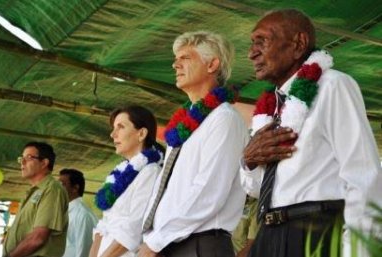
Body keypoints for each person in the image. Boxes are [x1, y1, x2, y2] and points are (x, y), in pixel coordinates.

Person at [240, 9, 382, 257]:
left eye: (261, 41)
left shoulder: (333, 85)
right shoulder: (273, 106)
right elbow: (255, 189)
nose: (252, 53)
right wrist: (249, 161)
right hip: (269, 233)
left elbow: (364, 177)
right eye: (252, 44)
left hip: (314, 231)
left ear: (298, 44)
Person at [138, 31, 250, 257]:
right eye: (176, 58)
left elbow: (208, 192)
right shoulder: (184, 124)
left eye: (185, 58)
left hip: (201, 245)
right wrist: (153, 239)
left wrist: (154, 243)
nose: (175, 65)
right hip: (170, 243)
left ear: (212, 65)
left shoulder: (224, 118)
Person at [89, 105, 164, 257]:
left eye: (120, 127)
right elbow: (103, 225)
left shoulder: (151, 171)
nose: (112, 134)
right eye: (113, 128)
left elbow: (134, 228)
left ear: (141, 133)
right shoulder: (118, 173)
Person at [3, 141, 69, 257]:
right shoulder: (34, 191)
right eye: (21, 158)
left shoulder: (52, 189)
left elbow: (38, 237)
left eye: (29, 158)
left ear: (44, 163)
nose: (22, 162)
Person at [59, 168, 98, 257]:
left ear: (75, 188)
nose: (57, 188)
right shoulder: (64, 211)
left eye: (62, 184)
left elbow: (84, 251)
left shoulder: (83, 215)